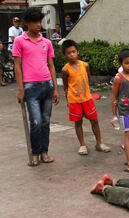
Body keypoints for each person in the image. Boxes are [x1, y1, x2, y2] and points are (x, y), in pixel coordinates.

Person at [13, 8, 60, 166]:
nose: (38, 25)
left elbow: (51, 65)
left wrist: (55, 88)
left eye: (40, 22)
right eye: (35, 22)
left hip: (47, 85)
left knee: (46, 121)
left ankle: (44, 152)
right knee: (36, 122)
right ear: (27, 23)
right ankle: (35, 153)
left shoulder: (46, 42)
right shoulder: (19, 41)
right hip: (30, 87)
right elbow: (17, 66)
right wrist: (21, 89)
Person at [61, 40, 110, 156]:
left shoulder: (85, 65)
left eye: (73, 52)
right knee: (78, 123)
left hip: (87, 98)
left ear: (77, 52)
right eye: (68, 53)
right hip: (74, 100)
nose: (71, 55)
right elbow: (66, 86)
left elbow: (87, 78)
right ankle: (82, 145)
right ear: (65, 55)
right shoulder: (65, 69)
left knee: (94, 120)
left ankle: (99, 143)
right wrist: (68, 100)